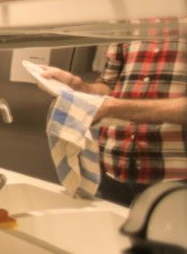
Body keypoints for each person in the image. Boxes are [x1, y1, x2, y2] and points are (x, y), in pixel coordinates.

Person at [42, 40, 187, 206]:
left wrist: (113, 107)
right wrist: (78, 86)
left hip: (176, 178)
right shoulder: (130, 26)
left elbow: (112, 103)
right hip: (112, 170)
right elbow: (110, 86)